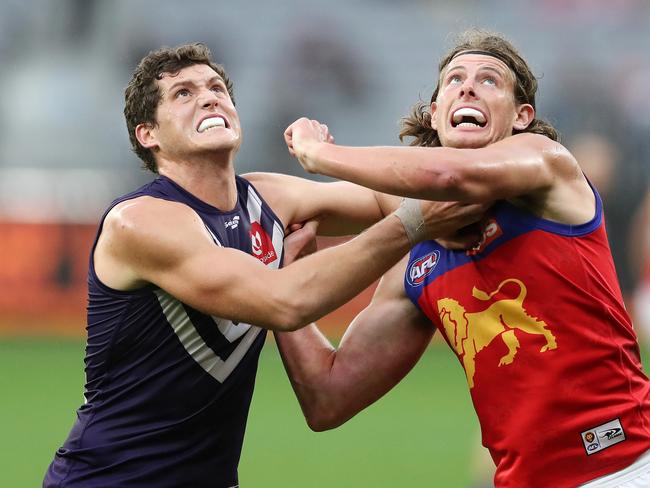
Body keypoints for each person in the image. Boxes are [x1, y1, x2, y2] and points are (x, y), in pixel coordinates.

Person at [42, 44, 486, 488]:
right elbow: (286, 301)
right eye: (183, 93)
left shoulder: (266, 198)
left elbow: (384, 197)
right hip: (107, 479)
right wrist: (417, 222)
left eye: (217, 87)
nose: (210, 97)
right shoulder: (140, 221)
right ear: (148, 134)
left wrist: (468, 176)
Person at [277, 30, 650, 487]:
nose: (468, 87)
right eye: (454, 79)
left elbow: (451, 176)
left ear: (521, 117)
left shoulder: (548, 164)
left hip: (626, 468)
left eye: (490, 80)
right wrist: (278, 274)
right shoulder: (418, 257)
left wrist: (321, 153)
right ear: (435, 114)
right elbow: (327, 397)